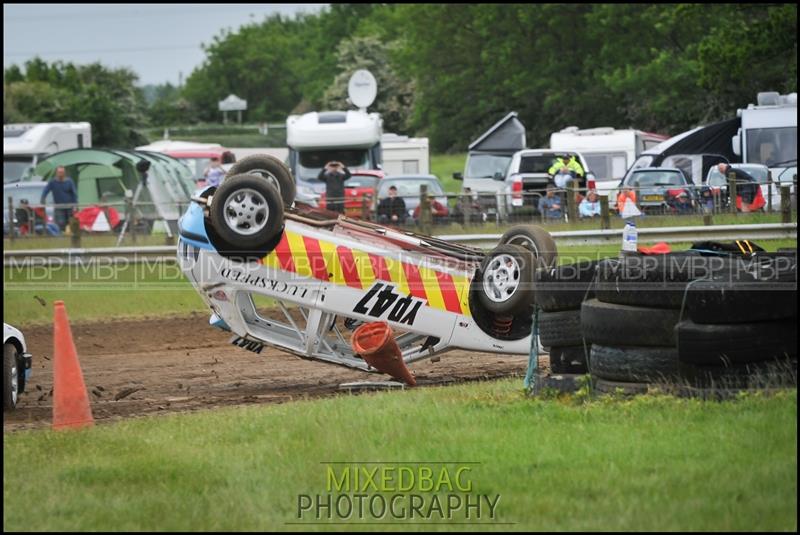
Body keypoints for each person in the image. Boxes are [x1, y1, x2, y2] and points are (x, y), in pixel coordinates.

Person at [40, 166, 78, 231]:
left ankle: (70, 236)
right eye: (59, 172)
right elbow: (45, 190)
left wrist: (75, 205)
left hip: (69, 207)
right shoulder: (52, 182)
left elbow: (74, 194)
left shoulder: (69, 181)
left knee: (71, 223)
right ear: (56, 173)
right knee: (61, 223)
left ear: (64, 173)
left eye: (62, 172)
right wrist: (43, 199)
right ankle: (61, 236)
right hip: (59, 207)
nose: (61, 174)